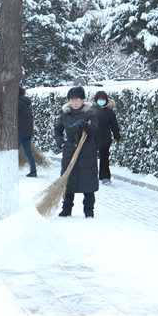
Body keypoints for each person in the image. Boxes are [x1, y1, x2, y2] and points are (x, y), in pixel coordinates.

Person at [54, 86, 99, 218]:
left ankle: (89, 210)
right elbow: (57, 130)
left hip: (86, 151)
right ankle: (67, 209)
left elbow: (95, 132)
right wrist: (61, 143)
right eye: (72, 100)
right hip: (69, 151)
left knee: (88, 181)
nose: (75, 103)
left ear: (83, 100)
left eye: (77, 100)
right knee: (68, 180)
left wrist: (86, 126)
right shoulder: (65, 114)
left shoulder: (90, 114)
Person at [93, 90, 122, 185]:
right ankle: (91, 175)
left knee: (104, 157)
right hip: (92, 136)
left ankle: (105, 176)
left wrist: (117, 135)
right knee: (91, 157)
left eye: (103, 99)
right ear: (96, 99)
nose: (101, 100)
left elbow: (114, 125)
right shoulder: (90, 110)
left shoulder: (109, 112)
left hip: (105, 136)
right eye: (99, 99)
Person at [19, 87, 37, 177]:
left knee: (13, 150)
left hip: (20, 131)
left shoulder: (18, 103)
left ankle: (10, 168)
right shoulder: (26, 102)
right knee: (28, 151)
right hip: (28, 131)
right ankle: (33, 170)